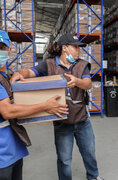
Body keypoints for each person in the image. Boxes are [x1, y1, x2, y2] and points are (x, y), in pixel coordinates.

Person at [11, 33, 103, 180]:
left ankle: (93, 176)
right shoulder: (49, 65)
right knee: (64, 160)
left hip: (82, 120)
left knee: (89, 153)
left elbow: (88, 83)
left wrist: (77, 81)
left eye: (80, 47)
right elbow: (30, 72)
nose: (79, 50)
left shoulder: (82, 64)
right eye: (76, 47)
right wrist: (18, 73)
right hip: (62, 122)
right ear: (65, 48)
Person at [0, 30, 68, 180]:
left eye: (1, 47)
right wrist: (45, 106)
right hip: (2, 154)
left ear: (9, 50)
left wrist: (19, 74)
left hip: (13, 147)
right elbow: (7, 111)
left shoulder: (5, 76)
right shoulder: (49, 64)